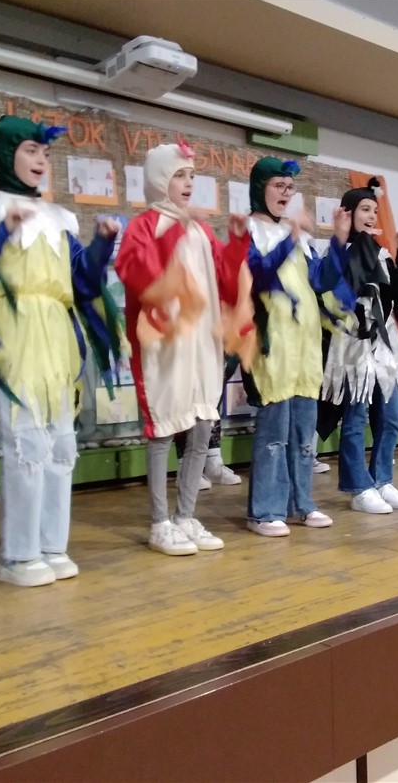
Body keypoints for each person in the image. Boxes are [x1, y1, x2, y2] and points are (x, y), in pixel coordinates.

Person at [0, 115, 121, 587]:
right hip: (14, 336)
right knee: (25, 442)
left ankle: (52, 545)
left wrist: (102, 245)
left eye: (45, 154)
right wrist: (1, 231)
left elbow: (82, 282)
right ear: (8, 154)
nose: (41, 161)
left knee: (60, 443)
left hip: (58, 340)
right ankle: (18, 553)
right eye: (31, 151)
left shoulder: (59, 218)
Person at [115, 141, 250, 556]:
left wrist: (237, 243)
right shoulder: (143, 226)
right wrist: (176, 227)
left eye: (191, 175)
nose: (189, 183)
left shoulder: (202, 230)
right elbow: (138, 273)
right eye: (179, 175)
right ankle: (159, 523)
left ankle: (185, 516)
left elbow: (226, 281)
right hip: (166, 346)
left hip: (202, 344)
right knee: (164, 429)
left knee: (201, 428)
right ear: (160, 180)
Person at [317, 180, 398, 514]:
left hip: (383, 348)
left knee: (391, 416)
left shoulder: (381, 254)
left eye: (374, 210)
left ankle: (382, 479)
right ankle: (359, 487)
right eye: (365, 209)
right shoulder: (338, 251)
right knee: (355, 418)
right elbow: (334, 294)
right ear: (348, 213)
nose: (371, 216)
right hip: (353, 347)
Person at [243, 156, 336, 536]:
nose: (286, 193)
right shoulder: (247, 230)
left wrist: (341, 242)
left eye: (290, 187)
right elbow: (261, 275)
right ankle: (265, 511)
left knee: (303, 433)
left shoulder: (298, 235)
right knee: (273, 434)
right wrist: (293, 237)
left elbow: (320, 280)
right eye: (278, 185)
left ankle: (302, 504)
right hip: (272, 347)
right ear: (260, 188)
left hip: (305, 347)